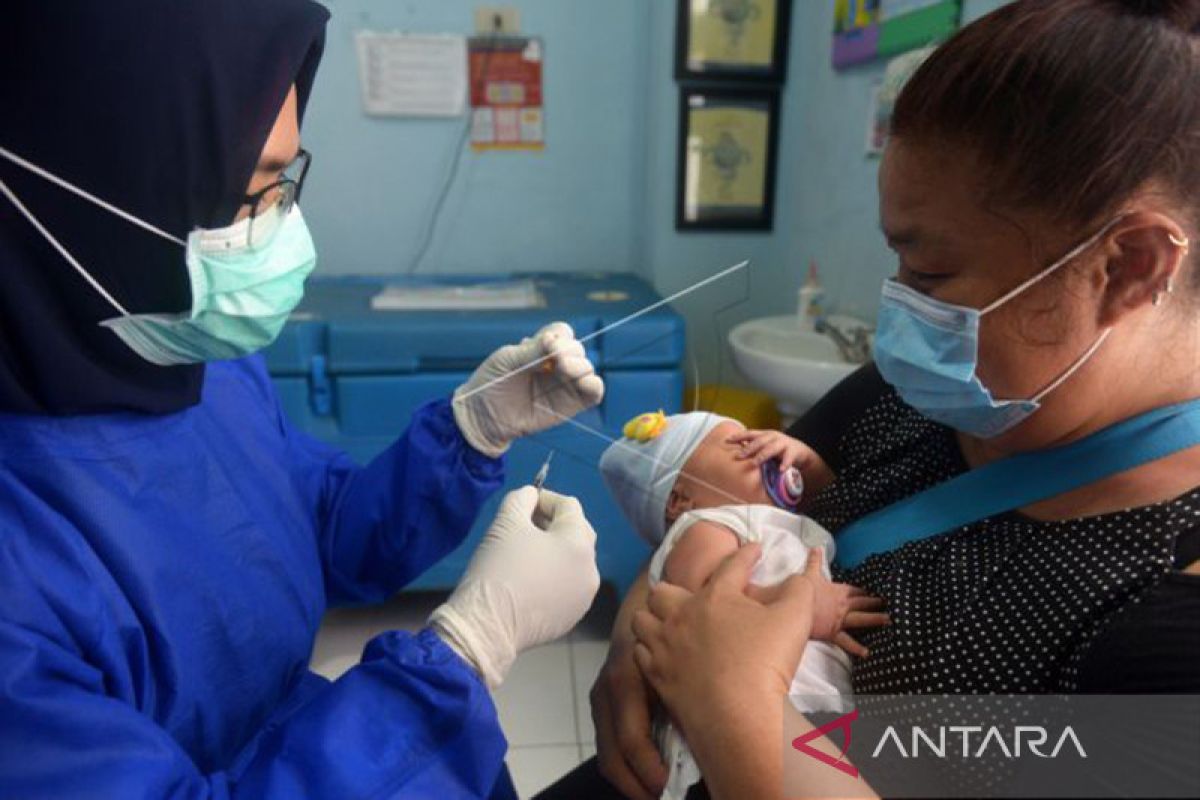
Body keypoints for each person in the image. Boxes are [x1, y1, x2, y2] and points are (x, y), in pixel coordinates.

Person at [539, 1, 1200, 798]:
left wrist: (734, 708)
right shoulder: (931, 388)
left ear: (1129, 267)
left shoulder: (1163, 617)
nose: (902, 310)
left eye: (931, 274)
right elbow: (731, 503)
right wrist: (650, 622)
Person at [0, 2, 604, 797]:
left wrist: (472, 430)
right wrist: (465, 650)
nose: (284, 225)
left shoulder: (188, 360)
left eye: (287, 178)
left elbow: (323, 528)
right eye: (253, 190)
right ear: (99, 194)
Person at [597, 410, 888, 800]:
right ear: (681, 499)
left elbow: (843, 502)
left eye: (749, 437)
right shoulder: (710, 525)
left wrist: (809, 462)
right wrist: (802, 609)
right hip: (727, 738)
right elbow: (697, 608)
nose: (755, 446)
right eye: (734, 445)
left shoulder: (773, 523)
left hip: (795, 718)